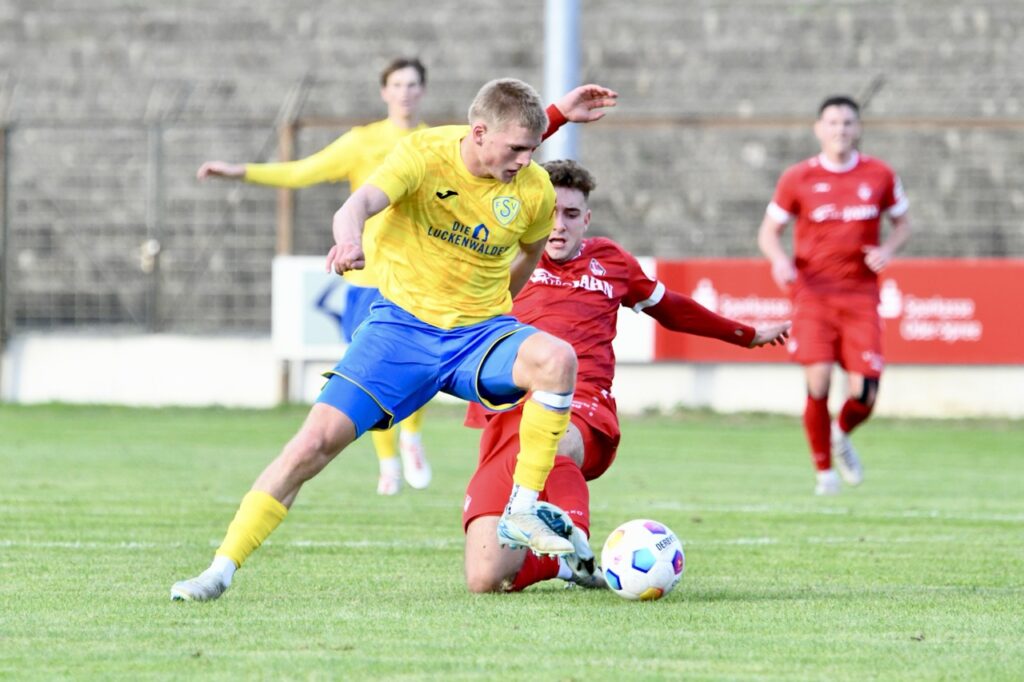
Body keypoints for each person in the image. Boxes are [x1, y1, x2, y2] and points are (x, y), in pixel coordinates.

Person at [171, 79, 620, 602]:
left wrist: (497, 307)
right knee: (310, 445)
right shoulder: (423, 156)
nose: (527, 160)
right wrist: (348, 240)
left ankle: (522, 509)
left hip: (478, 334)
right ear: (478, 133)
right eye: (518, 149)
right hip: (401, 331)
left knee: (556, 358)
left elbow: (528, 254)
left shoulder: (534, 188)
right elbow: (356, 204)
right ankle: (220, 569)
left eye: (532, 148)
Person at [461, 159, 791, 593]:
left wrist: (745, 334)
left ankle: (575, 537)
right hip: (507, 414)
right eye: (549, 213)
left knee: (557, 433)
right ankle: (565, 569)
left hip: (582, 406)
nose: (558, 225)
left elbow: (671, 307)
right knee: (485, 578)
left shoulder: (610, 261)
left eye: (571, 215)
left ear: (587, 219)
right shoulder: (503, 256)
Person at [197, 57, 434, 496]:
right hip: (367, 280)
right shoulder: (363, 142)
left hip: (417, 278)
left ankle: (413, 437)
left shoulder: (435, 144)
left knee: (420, 369)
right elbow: (302, 171)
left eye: (412, 84)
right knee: (371, 375)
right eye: (397, 84)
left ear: (423, 91)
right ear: (385, 92)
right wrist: (241, 171)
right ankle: (388, 464)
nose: (405, 92)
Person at [757, 95, 911, 496]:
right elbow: (768, 232)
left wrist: (887, 251)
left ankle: (841, 433)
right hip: (813, 294)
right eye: (832, 123)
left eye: (847, 123)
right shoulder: (798, 178)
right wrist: (779, 261)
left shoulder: (879, 174)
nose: (840, 130)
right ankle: (824, 473)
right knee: (819, 380)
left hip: (861, 295)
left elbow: (903, 223)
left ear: (857, 128)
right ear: (818, 129)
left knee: (865, 393)